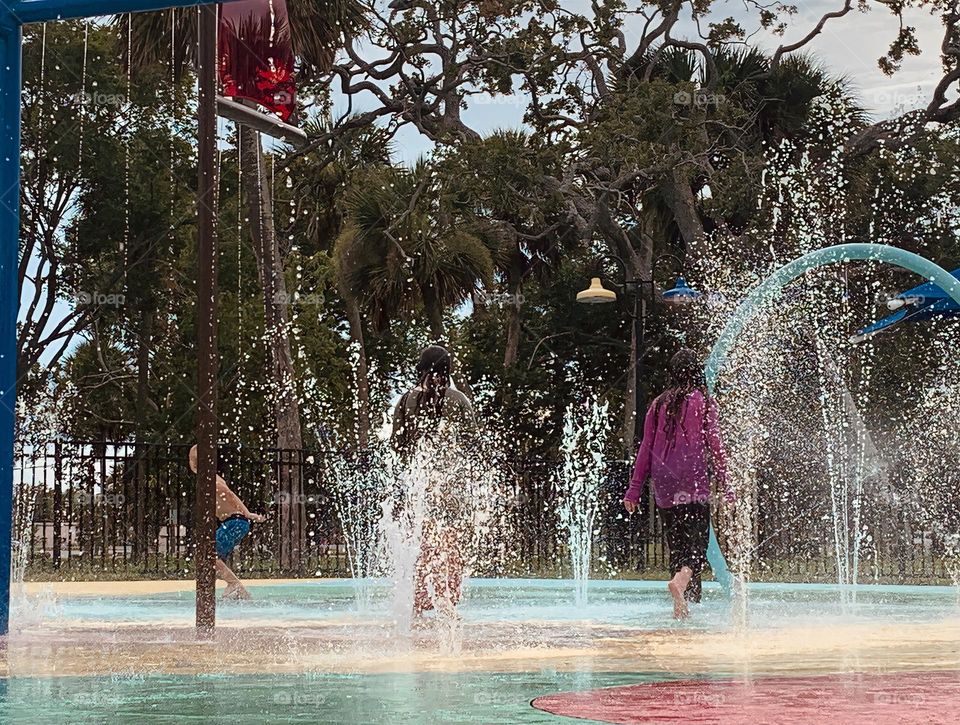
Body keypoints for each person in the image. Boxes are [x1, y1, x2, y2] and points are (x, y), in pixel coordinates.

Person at [622, 348, 733, 619]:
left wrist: (634, 489)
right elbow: (715, 445)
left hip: (664, 483)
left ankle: (683, 608)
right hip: (692, 481)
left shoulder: (658, 405)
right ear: (695, 372)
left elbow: (646, 447)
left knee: (678, 543)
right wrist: (726, 483)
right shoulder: (704, 402)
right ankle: (681, 582)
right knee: (697, 544)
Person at [391, 344, 475, 619]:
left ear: (421, 368)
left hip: (419, 485)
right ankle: (447, 603)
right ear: (448, 369)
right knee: (452, 546)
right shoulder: (459, 399)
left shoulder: (405, 401)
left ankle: (418, 602)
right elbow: (472, 443)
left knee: (421, 545)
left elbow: (397, 444)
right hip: (451, 486)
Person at [188, 444, 266, 601]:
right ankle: (241, 593)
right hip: (234, 522)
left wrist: (247, 513)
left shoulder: (210, 479)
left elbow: (228, 494)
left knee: (208, 553)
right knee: (210, 557)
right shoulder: (209, 477)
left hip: (235, 522)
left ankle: (234, 584)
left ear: (194, 462)